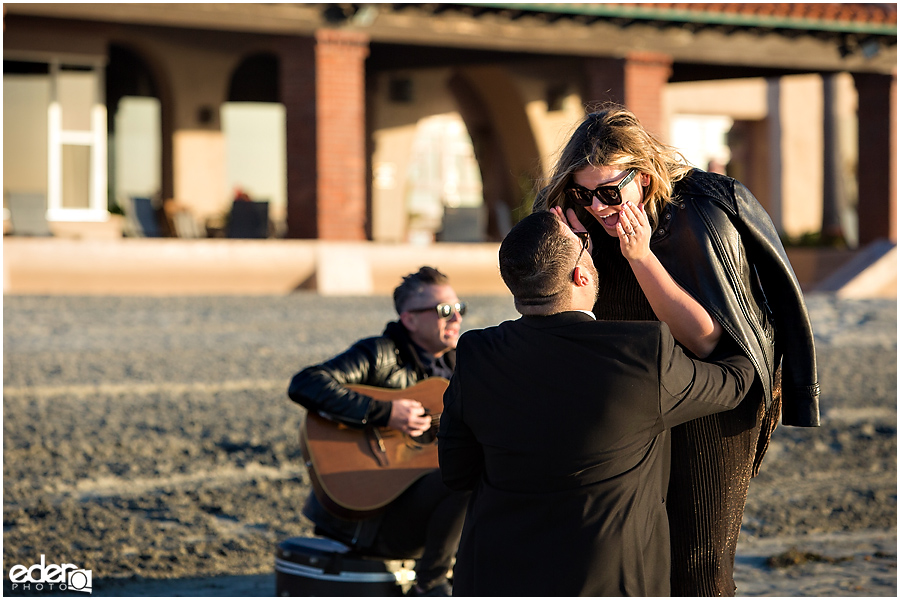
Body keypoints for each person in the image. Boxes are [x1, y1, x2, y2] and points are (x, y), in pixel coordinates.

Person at [534, 105, 820, 595]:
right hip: (635, 398)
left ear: (643, 179)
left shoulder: (696, 216)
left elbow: (709, 340)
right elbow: (558, 314)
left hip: (717, 399)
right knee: (631, 551)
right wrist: (571, 254)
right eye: (584, 193)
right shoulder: (579, 220)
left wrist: (641, 257)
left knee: (699, 561)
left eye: (609, 192)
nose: (599, 207)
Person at [438, 210, 756, 596]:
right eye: (582, 241)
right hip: (608, 579)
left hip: (496, 574)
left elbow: (457, 473)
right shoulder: (641, 354)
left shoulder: (476, 353)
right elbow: (736, 381)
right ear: (581, 276)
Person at [288, 266, 469, 597]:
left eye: (459, 308)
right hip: (370, 515)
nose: (456, 318)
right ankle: (429, 584)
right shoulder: (379, 354)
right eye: (444, 310)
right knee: (463, 476)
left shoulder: (464, 367)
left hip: (427, 514)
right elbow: (306, 383)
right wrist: (384, 413)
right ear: (410, 319)